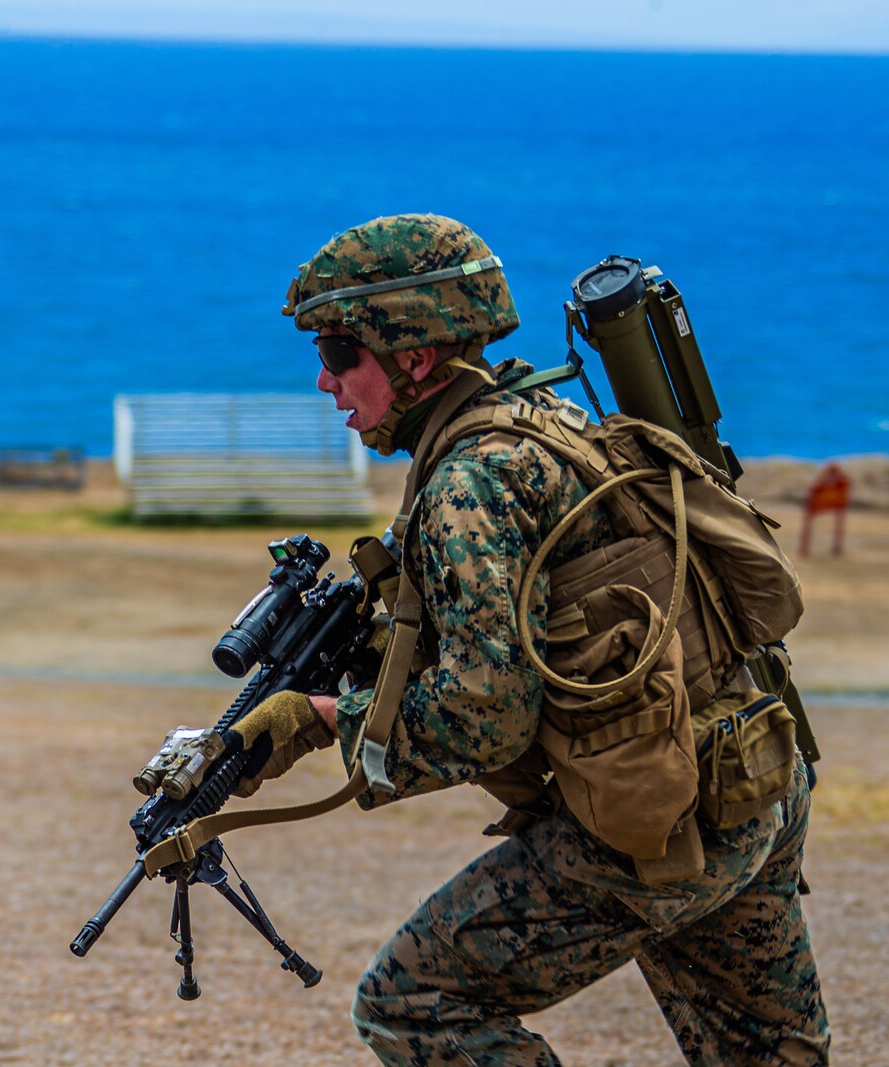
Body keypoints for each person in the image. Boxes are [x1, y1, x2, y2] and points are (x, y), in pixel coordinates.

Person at [228, 214, 830, 1066]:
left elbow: (486, 716)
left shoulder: (469, 482)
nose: (325, 382)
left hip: (666, 818)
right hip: (753, 773)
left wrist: (325, 717)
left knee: (413, 1003)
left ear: (415, 356)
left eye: (337, 351)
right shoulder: (540, 417)